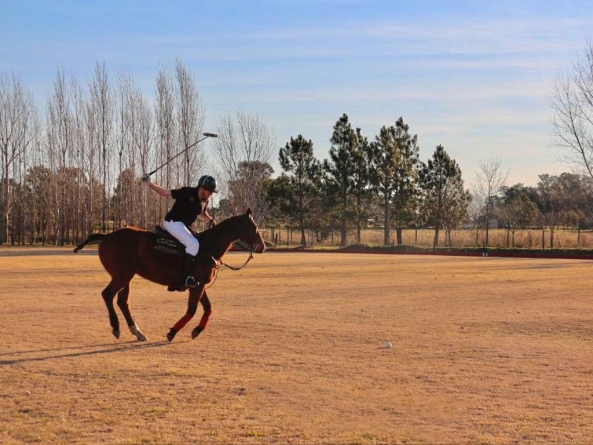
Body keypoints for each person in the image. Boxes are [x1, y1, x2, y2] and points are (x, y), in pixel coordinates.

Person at [142, 173, 217, 290]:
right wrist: (149, 183)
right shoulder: (186, 192)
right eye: (210, 191)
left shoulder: (204, 200)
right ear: (202, 189)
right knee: (193, 244)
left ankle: (178, 276)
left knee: (197, 242)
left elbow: (202, 213)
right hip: (173, 222)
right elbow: (164, 192)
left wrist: (210, 219)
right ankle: (187, 278)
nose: (211, 194)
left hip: (183, 226)